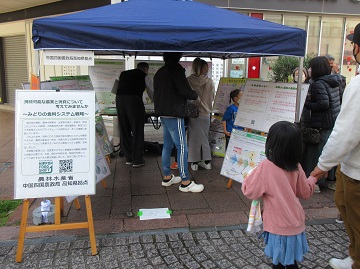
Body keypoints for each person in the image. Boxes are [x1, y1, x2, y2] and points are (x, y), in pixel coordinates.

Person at [311, 22, 360, 269]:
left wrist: (321, 166)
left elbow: (346, 132)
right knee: (345, 207)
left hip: (356, 171)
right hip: (349, 165)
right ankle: (353, 257)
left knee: (354, 216)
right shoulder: (345, 81)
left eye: (354, 44)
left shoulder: (359, 85)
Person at [242, 121, 318, 269]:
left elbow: (250, 191)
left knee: (278, 263)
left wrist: (248, 177)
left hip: (278, 225)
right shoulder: (296, 166)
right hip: (296, 223)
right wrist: (313, 178)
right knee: (290, 262)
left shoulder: (266, 166)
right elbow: (305, 192)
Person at [154, 52, 204, 193]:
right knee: (182, 146)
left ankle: (167, 177)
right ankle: (185, 181)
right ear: (178, 57)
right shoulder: (176, 69)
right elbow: (185, 91)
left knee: (167, 146)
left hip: (163, 113)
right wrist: (195, 94)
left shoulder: (160, 72)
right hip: (174, 114)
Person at [300, 56, 342, 193]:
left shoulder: (318, 83)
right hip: (331, 121)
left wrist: (306, 104)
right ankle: (326, 179)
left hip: (321, 123)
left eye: (311, 67)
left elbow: (323, 103)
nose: (310, 70)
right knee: (326, 150)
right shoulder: (334, 80)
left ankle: (314, 183)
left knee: (315, 153)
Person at [115, 62, 153, 168]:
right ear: (146, 69)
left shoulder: (123, 74)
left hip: (119, 100)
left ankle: (128, 157)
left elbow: (115, 89)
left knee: (124, 129)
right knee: (137, 130)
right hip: (134, 101)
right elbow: (151, 93)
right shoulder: (145, 76)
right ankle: (137, 160)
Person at [187, 58, 215, 171]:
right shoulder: (210, 81)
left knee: (193, 137)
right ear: (204, 68)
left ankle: (194, 163)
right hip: (206, 113)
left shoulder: (188, 80)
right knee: (204, 137)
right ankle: (207, 162)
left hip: (192, 113)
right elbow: (212, 97)